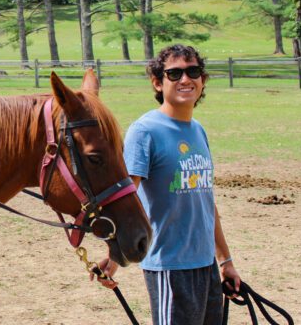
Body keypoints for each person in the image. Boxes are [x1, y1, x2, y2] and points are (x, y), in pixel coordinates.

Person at [93, 44, 240, 325]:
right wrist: (114, 256)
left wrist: (225, 261)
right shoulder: (145, 131)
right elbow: (127, 197)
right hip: (169, 266)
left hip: (205, 264)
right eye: (174, 74)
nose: (185, 80)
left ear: (203, 80)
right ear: (157, 82)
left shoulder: (198, 131)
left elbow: (206, 203)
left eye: (193, 71)